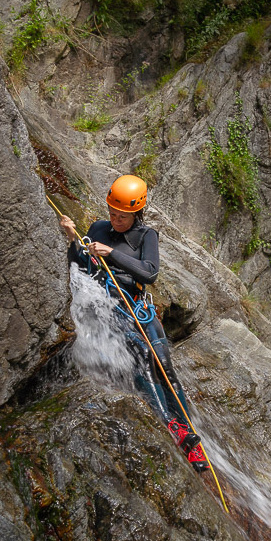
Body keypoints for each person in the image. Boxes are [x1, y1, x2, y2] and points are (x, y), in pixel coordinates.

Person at [59, 174, 209, 472]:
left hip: (138, 308)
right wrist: (73, 240)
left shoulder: (146, 236)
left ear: (136, 213)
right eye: (112, 213)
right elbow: (81, 267)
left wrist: (111, 253)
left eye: (122, 216)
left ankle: (191, 436)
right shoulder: (98, 229)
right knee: (141, 358)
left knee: (164, 365)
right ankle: (171, 427)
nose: (115, 220)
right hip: (109, 309)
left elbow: (150, 273)